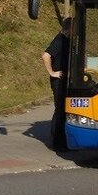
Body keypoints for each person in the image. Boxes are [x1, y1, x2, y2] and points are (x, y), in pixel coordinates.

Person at [42, 17, 71, 151]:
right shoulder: (59, 40)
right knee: (59, 110)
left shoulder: (66, 40)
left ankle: (61, 141)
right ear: (69, 28)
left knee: (62, 109)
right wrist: (52, 72)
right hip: (58, 80)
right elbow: (46, 55)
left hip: (63, 80)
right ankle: (57, 143)